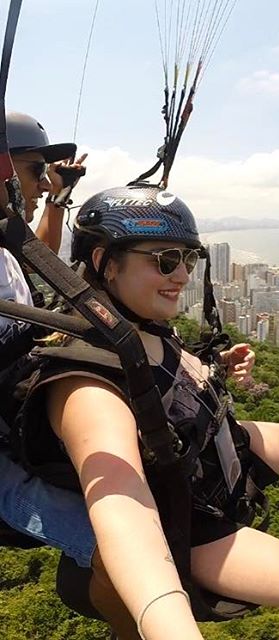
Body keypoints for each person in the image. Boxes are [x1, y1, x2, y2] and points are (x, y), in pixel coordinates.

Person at [17, 182, 279, 640]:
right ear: (103, 263)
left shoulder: (135, 326)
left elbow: (165, 384)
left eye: (189, 260)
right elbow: (120, 500)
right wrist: (165, 619)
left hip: (209, 458)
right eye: (165, 260)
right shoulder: (87, 381)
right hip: (189, 516)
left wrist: (216, 368)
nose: (183, 275)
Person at [0, 110, 94, 566]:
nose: (43, 182)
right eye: (35, 171)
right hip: (3, 455)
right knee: (115, 548)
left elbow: (42, 259)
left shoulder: (4, 243)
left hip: (19, 419)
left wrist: (59, 199)